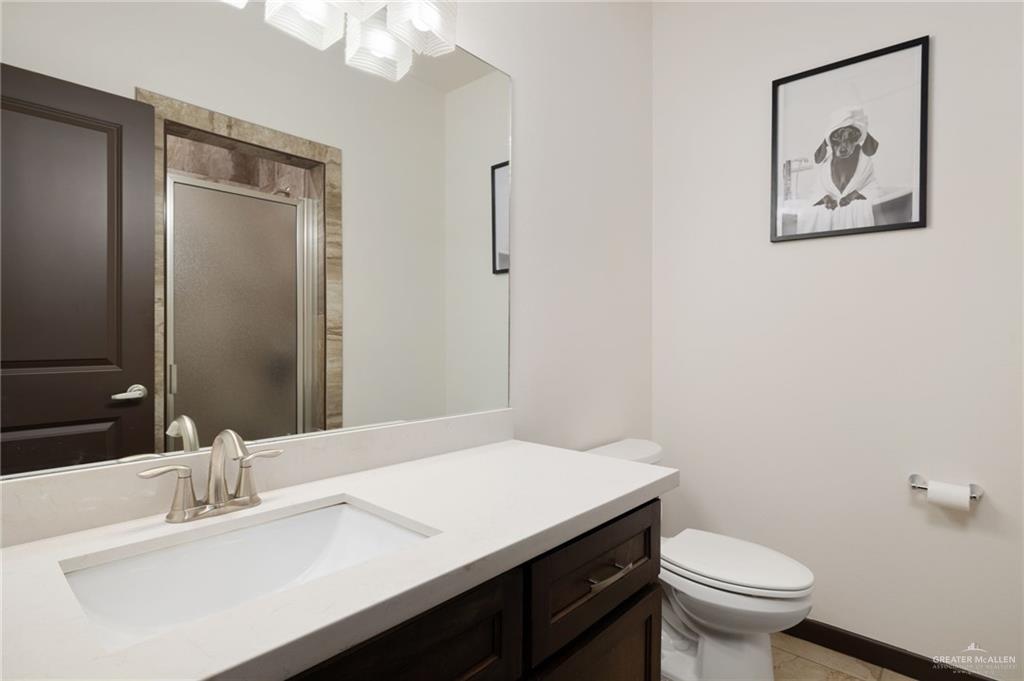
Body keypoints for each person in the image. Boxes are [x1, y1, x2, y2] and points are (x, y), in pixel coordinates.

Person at [797, 106, 880, 233]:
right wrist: (825, 198)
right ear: (829, 140)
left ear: (858, 138)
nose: (843, 147)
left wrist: (853, 195)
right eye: (837, 138)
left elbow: (873, 190)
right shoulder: (824, 168)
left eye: (850, 137)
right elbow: (817, 191)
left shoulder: (865, 164)